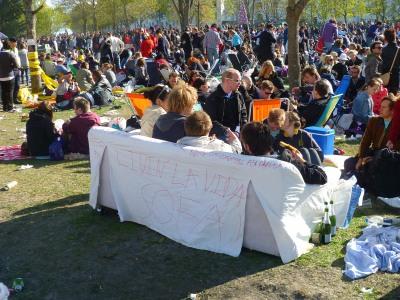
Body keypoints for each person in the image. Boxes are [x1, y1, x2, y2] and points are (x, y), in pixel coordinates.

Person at [240, 122, 327, 185]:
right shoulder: (286, 164)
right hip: (281, 206)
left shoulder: (239, 164)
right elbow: (322, 177)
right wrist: (302, 161)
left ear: (247, 147)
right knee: (307, 152)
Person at [177, 111, 242, 153]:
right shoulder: (219, 147)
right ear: (210, 128)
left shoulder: (176, 145)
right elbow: (236, 152)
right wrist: (234, 140)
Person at [379, 28, 400, 94]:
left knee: (385, 93)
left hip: (384, 74)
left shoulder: (383, 49)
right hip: (395, 74)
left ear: (385, 38)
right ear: (394, 37)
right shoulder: (398, 49)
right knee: (393, 94)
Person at [0, 40, 18, 112]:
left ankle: (5, 107)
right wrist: (11, 66)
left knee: (3, 92)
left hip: (1, 76)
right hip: (9, 75)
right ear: (9, 46)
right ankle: (10, 107)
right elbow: (16, 65)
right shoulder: (11, 53)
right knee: (10, 91)